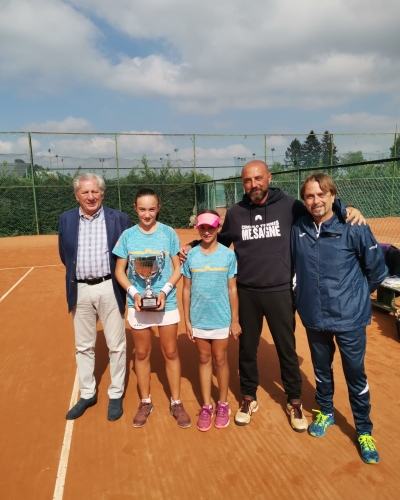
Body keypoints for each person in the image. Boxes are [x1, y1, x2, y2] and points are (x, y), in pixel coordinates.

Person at [180, 160, 365, 432]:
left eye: (258, 178)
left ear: (269, 177)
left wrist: (345, 208)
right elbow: (220, 238)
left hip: (280, 291)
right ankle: (248, 397)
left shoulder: (291, 205)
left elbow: (318, 212)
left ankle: (293, 400)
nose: (253, 185)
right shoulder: (237, 212)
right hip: (247, 292)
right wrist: (193, 244)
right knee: (247, 349)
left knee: (286, 349)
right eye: (247, 180)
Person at [291, 173, 387, 464]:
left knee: (355, 375)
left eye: (322, 194)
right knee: (321, 371)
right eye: (309, 196)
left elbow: (377, 271)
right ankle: (326, 412)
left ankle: (364, 430)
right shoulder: (299, 228)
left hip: (350, 319)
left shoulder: (354, 226)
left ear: (333, 195)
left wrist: (356, 298)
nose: (316, 201)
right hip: (313, 316)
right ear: (304, 200)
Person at [113, 188, 191, 429]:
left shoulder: (168, 233)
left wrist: (164, 292)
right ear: (135, 209)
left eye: (152, 209)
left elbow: (177, 268)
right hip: (138, 304)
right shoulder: (127, 236)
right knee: (142, 354)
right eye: (142, 209)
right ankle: (145, 401)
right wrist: (136, 294)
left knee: (170, 352)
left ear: (158, 208)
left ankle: (176, 402)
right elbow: (119, 271)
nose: (147, 214)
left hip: (165, 304)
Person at [58, 173, 131, 421]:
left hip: (109, 287)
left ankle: (115, 393)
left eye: (95, 191)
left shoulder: (120, 219)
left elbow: (128, 255)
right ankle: (88, 393)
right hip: (80, 289)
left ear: (102, 193)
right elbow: (64, 255)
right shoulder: (66, 219)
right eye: (85, 192)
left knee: (117, 345)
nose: (90, 196)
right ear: (77, 195)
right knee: (84, 346)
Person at [182, 210, 241, 431]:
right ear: (198, 228)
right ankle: (207, 405)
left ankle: (223, 403)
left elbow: (232, 288)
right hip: (198, 319)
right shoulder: (191, 256)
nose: (207, 231)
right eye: (203, 227)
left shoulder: (228, 255)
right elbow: (186, 290)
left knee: (220, 359)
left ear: (218, 228)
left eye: (211, 227)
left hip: (221, 318)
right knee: (204, 358)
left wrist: (234, 320)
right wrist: (187, 321)